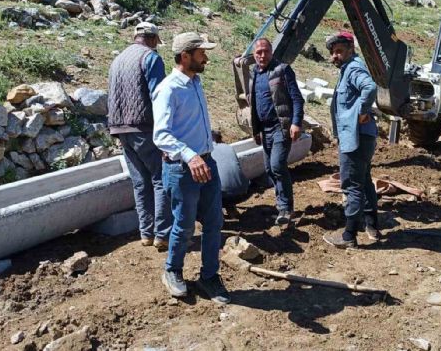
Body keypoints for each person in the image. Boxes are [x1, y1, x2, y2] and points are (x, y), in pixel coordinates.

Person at [153, 32, 230, 304]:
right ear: (185, 56)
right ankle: (172, 271)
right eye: (201, 54)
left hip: (206, 162)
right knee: (184, 225)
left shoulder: (195, 83)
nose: (206, 58)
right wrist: (190, 155)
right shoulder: (168, 88)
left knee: (214, 222)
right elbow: (160, 134)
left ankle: (209, 276)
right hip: (182, 168)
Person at [107, 22, 172, 249]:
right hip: (144, 127)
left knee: (140, 182)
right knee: (160, 179)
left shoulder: (118, 60)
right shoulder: (151, 58)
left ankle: (145, 233)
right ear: (153, 39)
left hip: (120, 129)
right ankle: (162, 235)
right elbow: (159, 95)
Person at [323, 31, 380, 249]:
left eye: (339, 51)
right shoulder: (348, 69)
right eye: (332, 53)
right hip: (363, 136)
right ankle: (372, 226)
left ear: (350, 50)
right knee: (364, 180)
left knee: (351, 184)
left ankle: (348, 236)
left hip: (356, 137)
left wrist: (363, 111)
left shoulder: (353, 68)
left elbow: (370, 87)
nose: (334, 56)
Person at [249, 38, 305, 225]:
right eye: (259, 52)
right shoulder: (254, 74)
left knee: (277, 166)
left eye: (266, 51)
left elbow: (297, 99)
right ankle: (282, 204)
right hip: (265, 130)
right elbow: (254, 104)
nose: (262, 55)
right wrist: (256, 130)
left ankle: (286, 209)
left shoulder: (282, 70)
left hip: (281, 127)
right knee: (269, 169)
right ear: (254, 55)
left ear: (271, 52)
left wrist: (296, 123)